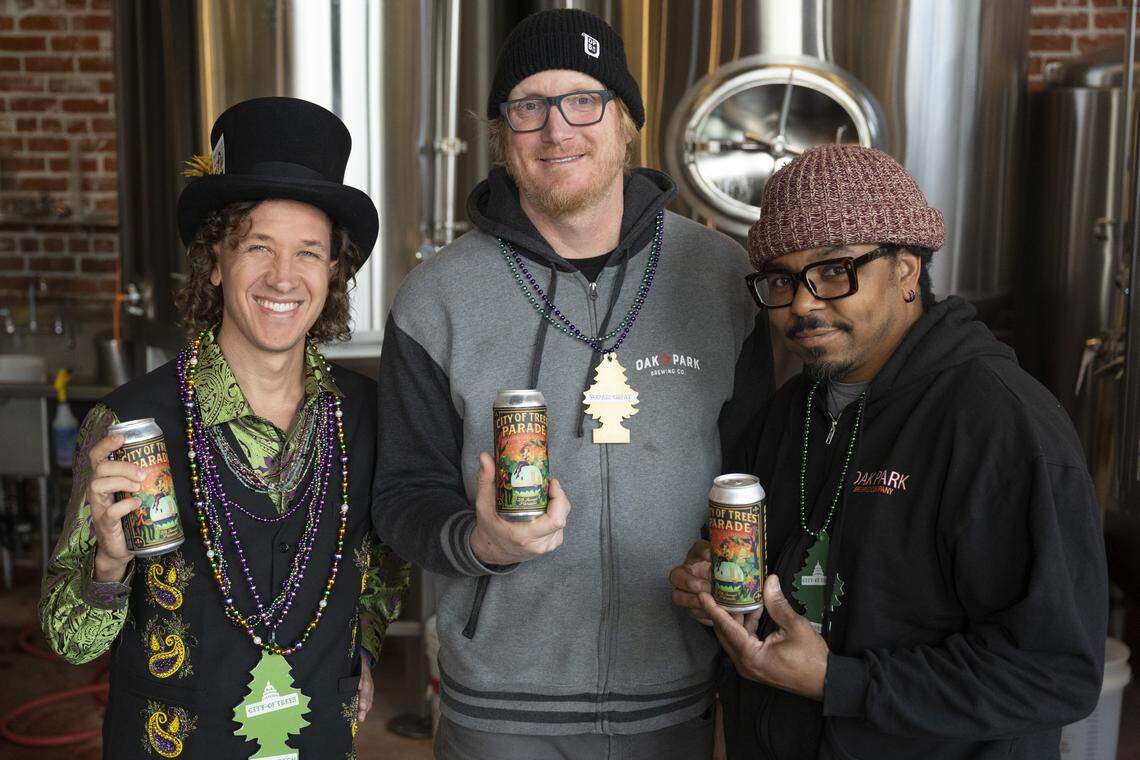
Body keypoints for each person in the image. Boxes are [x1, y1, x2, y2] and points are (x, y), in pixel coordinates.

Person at [373, 8, 772, 758]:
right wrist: (481, 541)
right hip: (499, 712)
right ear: (501, 135)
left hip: (678, 699)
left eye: (583, 100)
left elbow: (758, 466)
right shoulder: (436, 298)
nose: (557, 131)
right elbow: (401, 495)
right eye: (529, 107)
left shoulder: (720, 278)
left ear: (625, 123)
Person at [669, 144, 1108, 759]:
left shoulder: (999, 422)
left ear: (905, 269)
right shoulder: (789, 410)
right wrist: (713, 588)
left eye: (832, 270)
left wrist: (837, 682)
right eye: (780, 279)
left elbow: (1054, 672)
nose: (801, 302)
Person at [40, 97, 410, 759]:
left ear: (334, 272)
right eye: (258, 247)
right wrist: (106, 564)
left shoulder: (369, 417)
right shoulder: (126, 423)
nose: (282, 277)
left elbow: (380, 570)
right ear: (213, 262)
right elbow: (71, 645)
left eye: (308, 252)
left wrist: (361, 651)